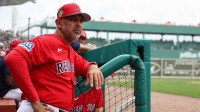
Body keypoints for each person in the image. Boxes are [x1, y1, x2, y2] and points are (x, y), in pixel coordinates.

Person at [5, 3, 104, 112]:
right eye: (73, 19)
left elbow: (84, 65)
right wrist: (35, 101)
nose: (78, 24)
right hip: (38, 107)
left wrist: (92, 66)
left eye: (80, 21)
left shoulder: (69, 50)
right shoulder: (47, 41)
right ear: (59, 23)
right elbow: (13, 58)